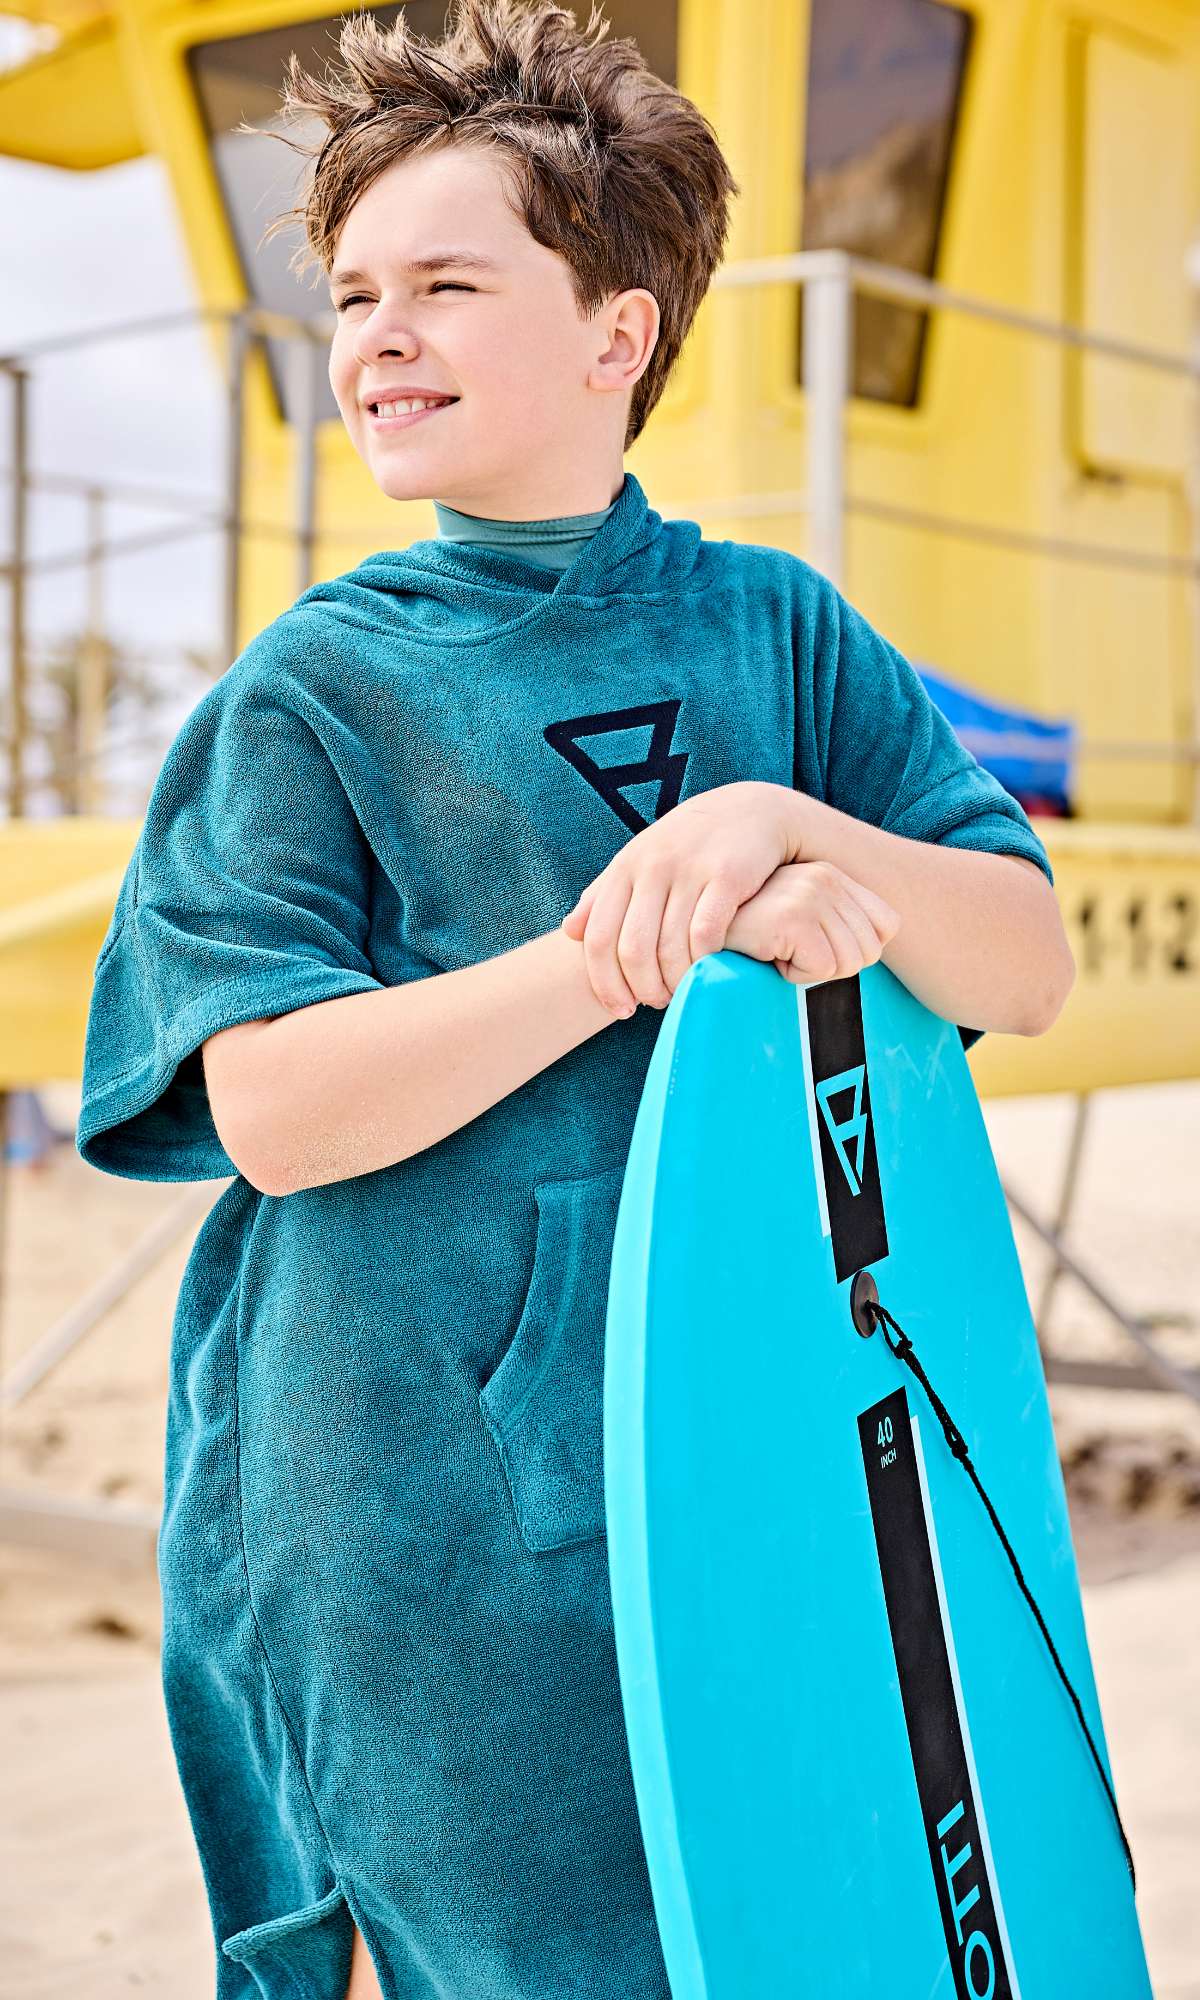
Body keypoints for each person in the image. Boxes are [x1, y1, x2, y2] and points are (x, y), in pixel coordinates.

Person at [74, 4, 1074, 1996]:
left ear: (621, 333)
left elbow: (1023, 957)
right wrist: (630, 941)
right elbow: (271, 1106)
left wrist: (789, 826)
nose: (382, 336)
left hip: (762, 1444)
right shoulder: (312, 691)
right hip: (408, 1497)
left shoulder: (778, 632)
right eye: (356, 295)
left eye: (448, 284)